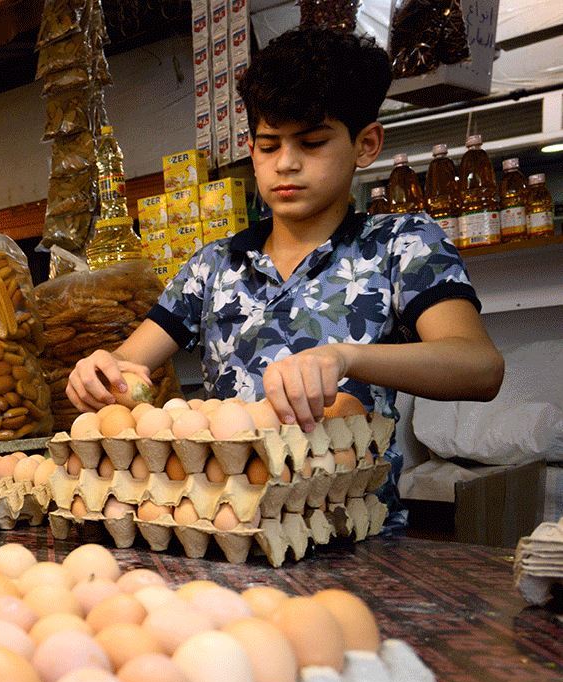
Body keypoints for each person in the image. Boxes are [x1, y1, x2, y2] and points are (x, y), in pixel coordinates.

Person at [65, 27, 503, 525]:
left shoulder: (400, 245)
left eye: (312, 143)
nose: (286, 164)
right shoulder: (214, 266)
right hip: (224, 525)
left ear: (366, 144)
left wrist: (346, 357)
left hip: (345, 528)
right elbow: (127, 362)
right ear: (251, 148)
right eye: (269, 146)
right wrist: (101, 371)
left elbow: (479, 367)